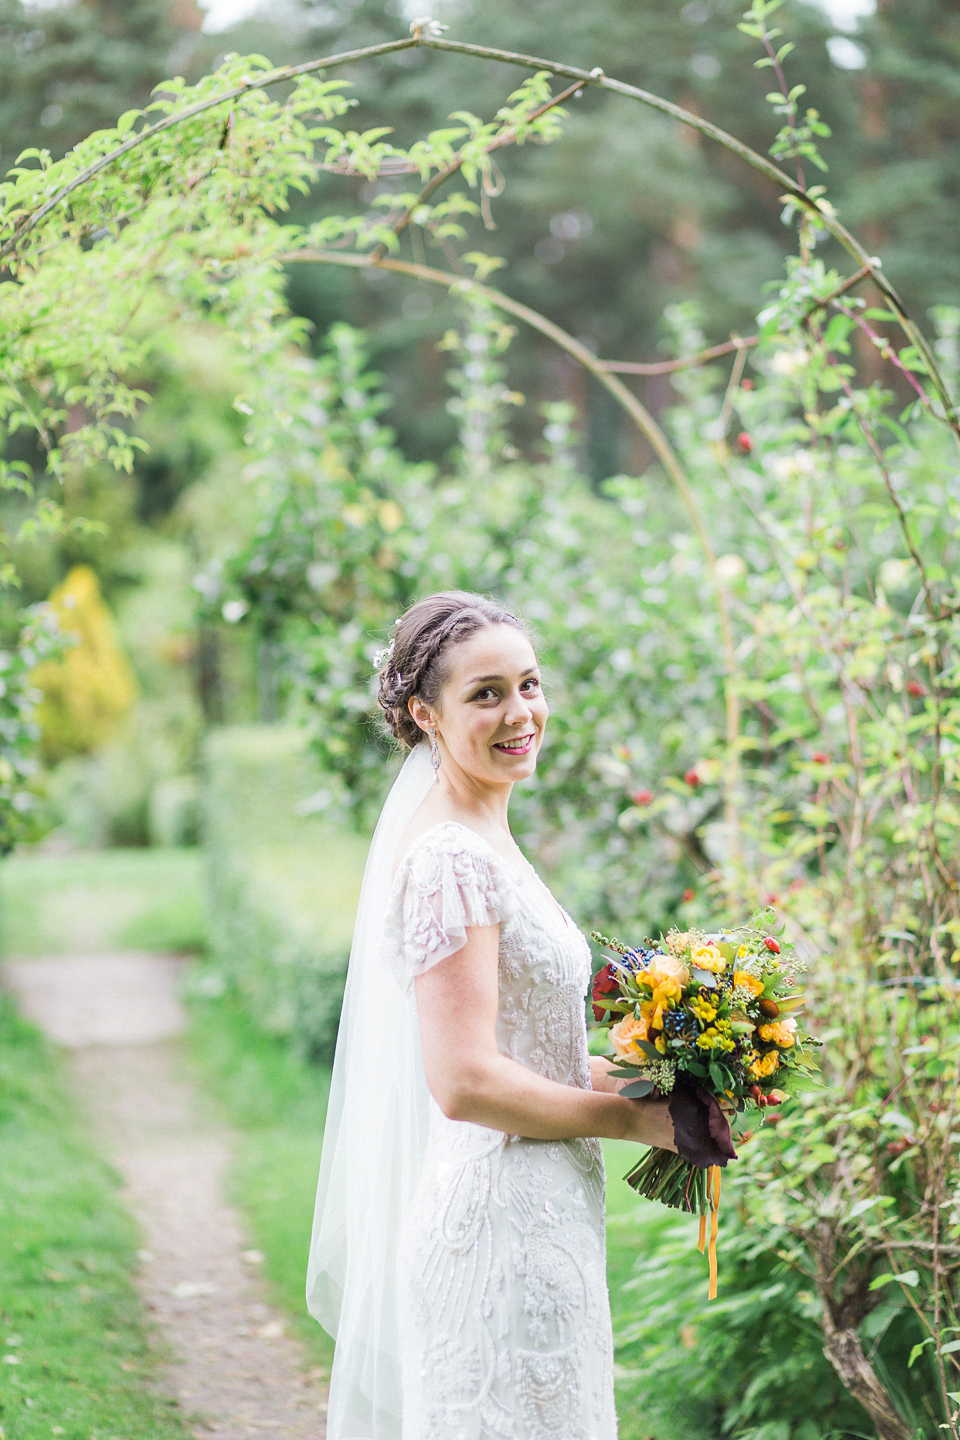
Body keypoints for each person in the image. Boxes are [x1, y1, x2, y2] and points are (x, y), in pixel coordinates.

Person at [308, 590, 677, 1440]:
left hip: (547, 1217)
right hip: (501, 1229)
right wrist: (636, 1120)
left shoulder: (487, 834)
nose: (521, 713)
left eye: (530, 685)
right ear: (424, 715)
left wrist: (681, 1078)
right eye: (486, 694)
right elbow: (466, 1080)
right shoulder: (447, 860)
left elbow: (529, 1056)